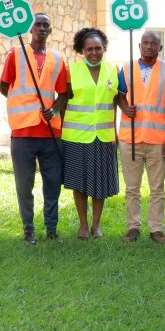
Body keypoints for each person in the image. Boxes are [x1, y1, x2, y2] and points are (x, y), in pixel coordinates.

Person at [0, 13, 68, 245]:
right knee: (24, 185)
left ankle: (51, 229)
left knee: (52, 183)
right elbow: (3, 86)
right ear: (30, 29)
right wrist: (22, 105)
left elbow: (65, 93)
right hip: (23, 132)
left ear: (50, 30)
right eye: (37, 24)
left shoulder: (57, 58)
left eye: (45, 25)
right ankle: (28, 230)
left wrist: (55, 109)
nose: (41, 28)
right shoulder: (15, 54)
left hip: (50, 131)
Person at [116, 31, 165, 243]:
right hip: (130, 138)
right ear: (139, 45)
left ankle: (156, 228)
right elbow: (119, 95)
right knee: (132, 188)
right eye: (145, 43)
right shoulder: (126, 68)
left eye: (154, 44)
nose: (149, 46)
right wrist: (125, 108)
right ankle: (133, 227)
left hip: (156, 139)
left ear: (160, 48)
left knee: (157, 188)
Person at [62, 27, 120, 239]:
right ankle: (83, 225)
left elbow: (114, 102)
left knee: (100, 184)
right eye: (89, 49)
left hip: (104, 137)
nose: (94, 53)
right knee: (80, 182)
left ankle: (97, 226)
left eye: (98, 48)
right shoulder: (71, 71)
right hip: (77, 137)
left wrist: (115, 132)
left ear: (104, 48)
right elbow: (63, 101)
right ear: (82, 50)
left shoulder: (112, 71)